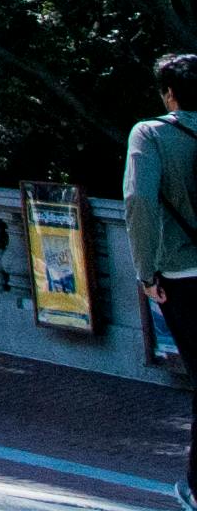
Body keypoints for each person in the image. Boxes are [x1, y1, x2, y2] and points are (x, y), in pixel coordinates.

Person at [120, 54, 197, 510]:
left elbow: (139, 202)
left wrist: (145, 272)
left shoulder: (150, 133)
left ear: (169, 93)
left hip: (183, 273)